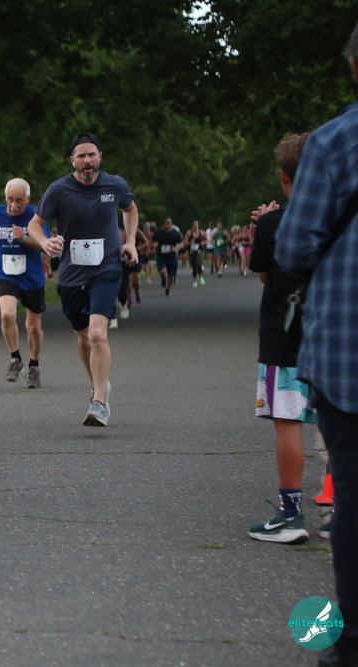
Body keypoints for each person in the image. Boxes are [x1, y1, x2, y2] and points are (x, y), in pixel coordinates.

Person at [275, 25, 358, 664]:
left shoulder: (333, 142)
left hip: (348, 352)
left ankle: (351, 639)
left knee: (353, 493)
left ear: (354, 67)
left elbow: (294, 247)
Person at [25, 132, 138, 426]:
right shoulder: (58, 190)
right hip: (71, 275)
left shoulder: (115, 185)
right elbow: (35, 224)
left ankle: (99, 402)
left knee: (97, 334)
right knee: (83, 338)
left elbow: (130, 208)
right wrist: (45, 242)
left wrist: (131, 242)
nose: (87, 160)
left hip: (107, 268)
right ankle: (98, 385)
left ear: (100, 156)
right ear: (72, 160)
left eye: (92, 154)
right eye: (81, 156)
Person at [244, 132, 318, 544]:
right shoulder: (343, 221)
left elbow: (264, 275)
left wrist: (265, 222)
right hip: (334, 338)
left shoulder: (272, 224)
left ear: (283, 178)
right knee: (337, 426)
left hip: (284, 337)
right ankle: (341, 513)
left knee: (289, 424)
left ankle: (291, 515)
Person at [0, 177, 48, 387]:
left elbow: (45, 246)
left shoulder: (37, 216)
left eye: (19, 200)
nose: (14, 205)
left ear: (28, 199)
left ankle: (34, 365)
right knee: (7, 314)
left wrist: (24, 238)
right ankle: (15, 358)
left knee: (33, 327)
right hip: (5, 272)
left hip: (32, 276)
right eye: (10, 199)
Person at [153, 217, 183, 296]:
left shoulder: (175, 233)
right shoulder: (159, 232)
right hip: (161, 256)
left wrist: (176, 248)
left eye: (169, 223)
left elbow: (181, 243)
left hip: (172, 257)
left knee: (171, 276)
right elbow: (152, 241)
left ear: (171, 224)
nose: (167, 224)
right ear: (163, 224)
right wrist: (153, 245)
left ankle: (168, 289)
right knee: (162, 271)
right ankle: (163, 278)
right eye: (166, 223)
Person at [184, 220, 207, 288]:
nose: (195, 226)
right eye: (194, 224)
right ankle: (197, 279)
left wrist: (203, 243)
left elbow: (207, 240)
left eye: (196, 224)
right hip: (192, 251)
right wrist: (190, 242)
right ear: (192, 225)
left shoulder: (202, 232)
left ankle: (197, 279)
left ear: (198, 225)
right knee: (194, 266)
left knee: (198, 263)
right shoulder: (189, 233)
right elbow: (185, 243)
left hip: (200, 251)